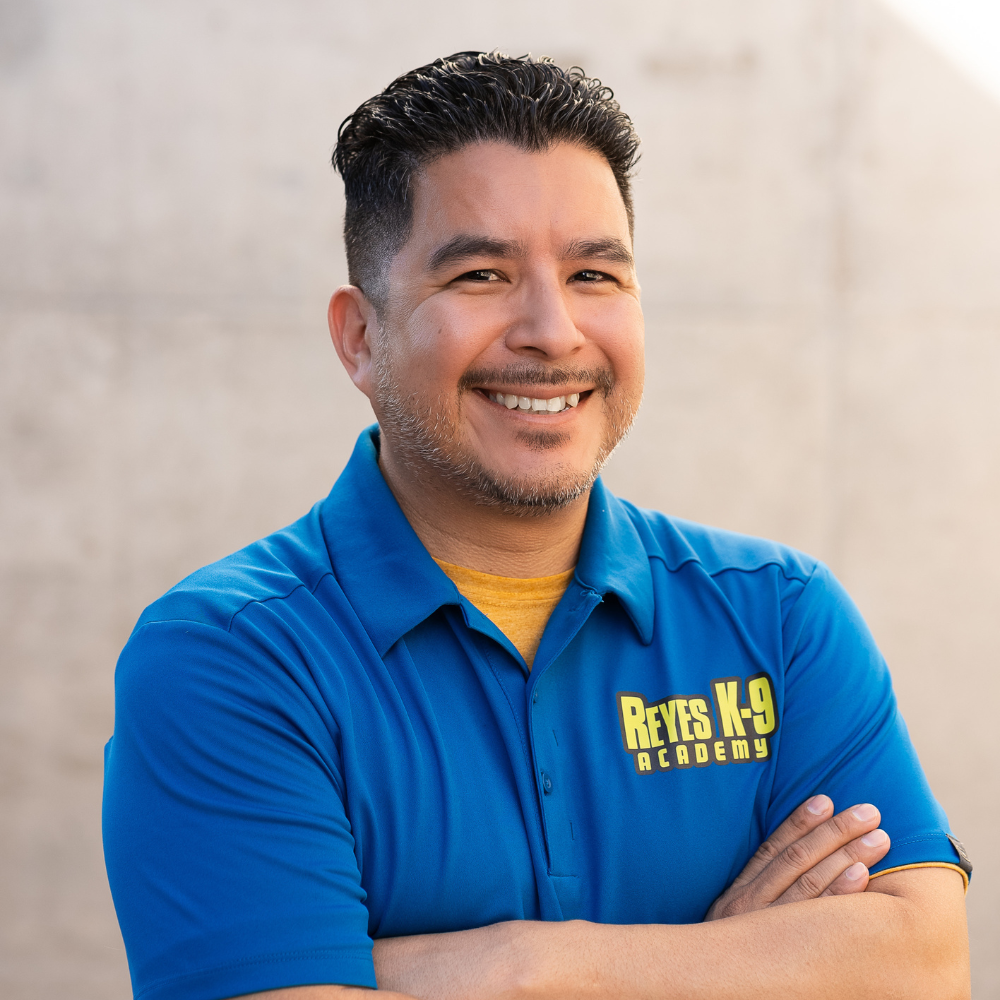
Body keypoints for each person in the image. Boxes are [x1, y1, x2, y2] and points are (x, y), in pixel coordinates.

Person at [102, 52, 972, 1000]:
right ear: (361, 337)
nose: (552, 331)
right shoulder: (229, 658)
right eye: (481, 274)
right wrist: (738, 966)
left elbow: (921, 965)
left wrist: (518, 969)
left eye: (595, 273)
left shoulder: (780, 618)